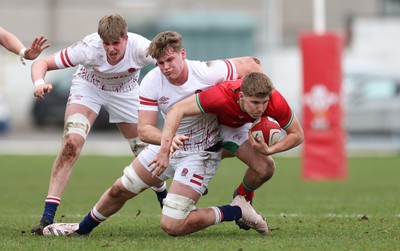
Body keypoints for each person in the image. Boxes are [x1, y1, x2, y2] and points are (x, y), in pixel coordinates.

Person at [41, 30, 269, 237]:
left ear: (183, 54)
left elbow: (252, 64)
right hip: (167, 147)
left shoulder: (207, 71)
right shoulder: (152, 80)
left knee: (172, 226)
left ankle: (236, 210)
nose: (166, 67)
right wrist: (167, 141)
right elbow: (144, 130)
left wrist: (263, 107)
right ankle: (81, 230)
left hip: (201, 153)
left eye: (170, 60)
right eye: (160, 62)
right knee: (120, 189)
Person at [30, 14, 167, 235]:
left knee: (144, 152)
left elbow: (172, 64)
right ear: (100, 40)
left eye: (116, 43)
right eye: (106, 43)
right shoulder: (88, 47)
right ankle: (47, 217)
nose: (111, 49)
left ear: (126, 38)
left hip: (126, 92)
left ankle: (165, 199)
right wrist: (39, 83)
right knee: (70, 146)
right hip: (89, 88)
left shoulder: (142, 47)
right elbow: (42, 62)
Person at [151, 72, 304, 227]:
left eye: (264, 102)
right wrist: (165, 147)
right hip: (211, 128)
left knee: (266, 167)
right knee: (129, 186)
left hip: (237, 129)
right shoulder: (221, 94)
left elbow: (297, 135)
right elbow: (177, 109)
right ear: (242, 96)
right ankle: (174, 183)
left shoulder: (275, 101)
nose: (261, 108)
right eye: (255, 102)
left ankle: (241, 200)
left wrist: (270, 150)